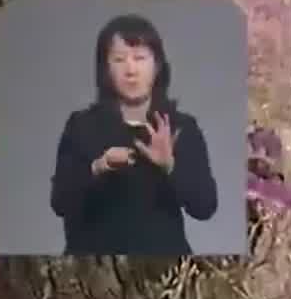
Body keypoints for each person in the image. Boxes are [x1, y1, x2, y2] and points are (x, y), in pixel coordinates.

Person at [49, 14, 218, 255]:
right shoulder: (82, 125)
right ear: (105, 68)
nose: (131, 70)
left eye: (140, 58)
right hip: (92, 267)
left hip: (162, 269)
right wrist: (99, 166)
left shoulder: (181, 127)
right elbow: (60, 202)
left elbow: (205, 207)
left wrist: (170, 165)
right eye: (119, 59)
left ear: (157, 65)